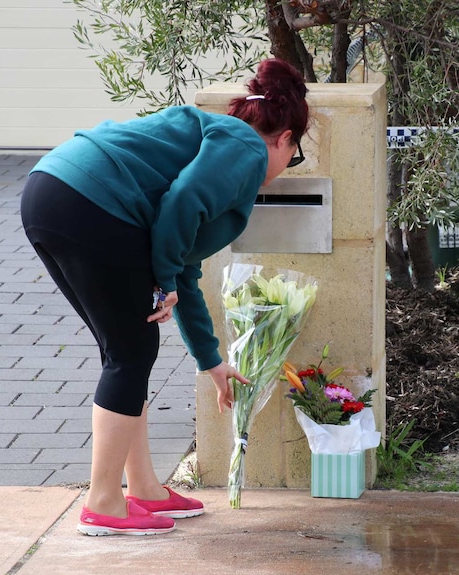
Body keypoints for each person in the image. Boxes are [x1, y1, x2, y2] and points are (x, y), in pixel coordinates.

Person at [20, 58, 309, 536]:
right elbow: (180, 205)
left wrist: (211, 361)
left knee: (125, 349)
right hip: (92, 202)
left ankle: (145, 490)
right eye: (293, 155)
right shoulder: (244, 148)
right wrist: (163, 281)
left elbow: (184, 264)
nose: (284, 167)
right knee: (132, 352)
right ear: (283, 138)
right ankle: (104, 504)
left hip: (52, 189)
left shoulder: (219, 147)